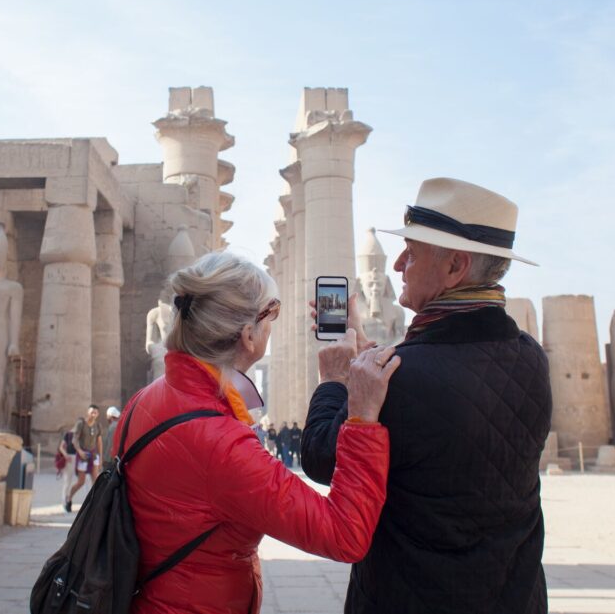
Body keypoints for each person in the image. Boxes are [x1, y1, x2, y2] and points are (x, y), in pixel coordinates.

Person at [301, 178, 552, 614]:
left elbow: (321, 458)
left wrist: (335, 381)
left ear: (455, 267)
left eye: (412, 253)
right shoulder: (532, 358)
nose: (398, 264)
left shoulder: (400, 376)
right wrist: (371, 352)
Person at [114, 251, 398, 614]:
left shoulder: (146, 398)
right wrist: (358, 413)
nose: (272, 327)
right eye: (270, 316)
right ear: (248, 335)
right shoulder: (219, 443)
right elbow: (345, 535)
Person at [61, 404, 103, 512]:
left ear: (97, 414)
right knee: (81, 482)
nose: (93, 414)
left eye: (95, 413)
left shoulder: (97, 426)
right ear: (88, 412)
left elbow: (99, 442)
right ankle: (69, 498)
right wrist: (79, 451)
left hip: (93, 455)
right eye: (91, 412)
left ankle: (94, 504)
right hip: (83, 455)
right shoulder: (81, 424)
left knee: (96, 480)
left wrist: (101, 458)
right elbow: (74, 440)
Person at [101, 406, 122, 473]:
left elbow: (110, 444)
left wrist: (105, 459)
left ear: (110, 416)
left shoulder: (113, 426)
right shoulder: (116, 425)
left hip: (110, 459)